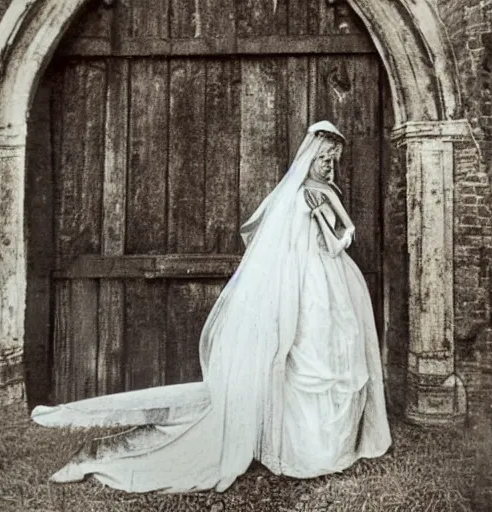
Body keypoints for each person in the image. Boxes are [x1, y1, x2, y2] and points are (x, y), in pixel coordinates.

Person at [31, 120, 391, 493]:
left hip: (333, 283)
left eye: (333, 161)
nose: (328, 167)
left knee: (335, 355)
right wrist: (314, 222)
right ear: (309, 158)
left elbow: (343, 237)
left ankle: (327, 447)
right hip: (308, 286)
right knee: (304, 357)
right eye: (323, 160)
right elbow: (283, 251)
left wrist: (327, 221)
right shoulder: (295, 196)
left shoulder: (327, 193)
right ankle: (301, 449)